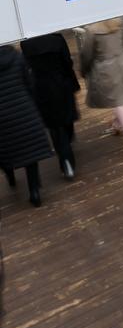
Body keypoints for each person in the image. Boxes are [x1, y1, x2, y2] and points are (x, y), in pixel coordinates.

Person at [20, 33, 80, 179]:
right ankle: (68, 145)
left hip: (41, 87)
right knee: (66, 117)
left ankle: (65, 161)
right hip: (62, 83)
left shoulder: (26, 43)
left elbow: (28, 67)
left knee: (55, 126)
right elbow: (67, 61)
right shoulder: (57, 38)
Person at [0, 44, 53, 207]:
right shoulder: (16, 56)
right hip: (24, 108)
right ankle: (34, 191)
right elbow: (29, 82)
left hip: (2, 115)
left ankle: (11, 177)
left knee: (5, 149)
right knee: (31, 152)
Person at [80, 18, 123, 152]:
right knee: (119, 100)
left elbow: (87, 55)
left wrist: (84, 71)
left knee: (119, 102)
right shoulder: (120, 23)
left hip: (106, 71)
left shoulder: (92, 31)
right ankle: (117, 124)